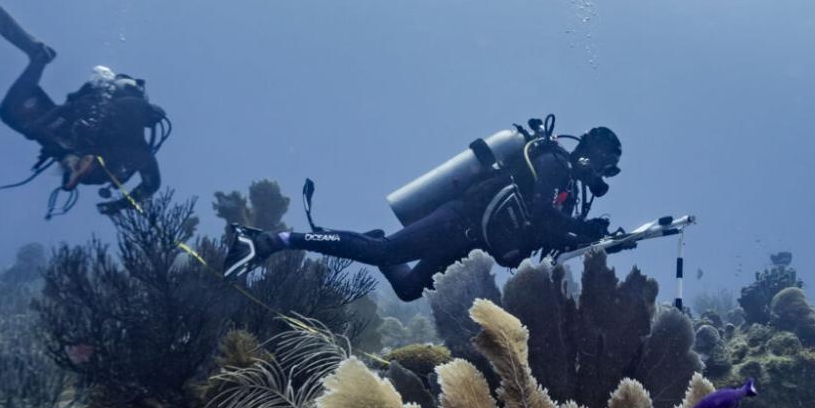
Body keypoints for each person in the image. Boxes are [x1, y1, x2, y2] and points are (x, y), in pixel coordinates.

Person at [224, 119, 622, 301]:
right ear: (590, 153)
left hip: (471, 241)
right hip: (461, 219)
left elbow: (543, 233)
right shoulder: (553, 163)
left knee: (411, 289)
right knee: (384, 254)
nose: (603, 175)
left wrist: (592, 238)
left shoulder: (566, 188)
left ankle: (376, 242)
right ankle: (271, 241)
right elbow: (540, 217)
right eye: (605, 165)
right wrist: (582, 231)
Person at [0, 0, 167, 217]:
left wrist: (117, 205)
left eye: (74, 170)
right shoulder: (132, 146)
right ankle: (39, 57)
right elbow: (151, 183)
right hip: (83, 117)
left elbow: (151, 183)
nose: (77, 169)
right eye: (80, 169)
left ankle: (39, 57)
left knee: (10, 112)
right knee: (13, 113)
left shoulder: (72, 149)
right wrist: (117, 206)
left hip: (73, 123)